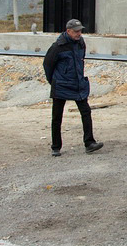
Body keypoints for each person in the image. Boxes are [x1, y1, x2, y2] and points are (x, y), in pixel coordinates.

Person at [43, 18, 103, 156]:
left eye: (80, 31)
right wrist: (53, 81)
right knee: (57, 117)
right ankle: (56, 147)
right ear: (68, 31)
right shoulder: (57, 46)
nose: (79, 34)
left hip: (78, 84)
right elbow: (47, 65)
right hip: (61, 85)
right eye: (76, 31)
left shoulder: (81, 43)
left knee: (86, 112)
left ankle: (89, 143)